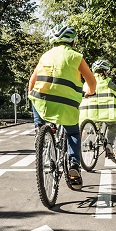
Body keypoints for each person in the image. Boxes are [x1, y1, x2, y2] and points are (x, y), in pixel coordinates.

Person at [28, 23, 96, 189]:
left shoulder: (44, 56)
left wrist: (33, 98)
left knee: (34, 98)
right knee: (73, 132)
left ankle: (39, 130)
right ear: (72, 42)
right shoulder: (76, 56)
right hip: (66, 104)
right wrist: (91, 92)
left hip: (42, 101)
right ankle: (74, 165)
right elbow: (91, 81)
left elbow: (31, 83)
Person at [79, 59, 116, 159]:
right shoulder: (107, 82)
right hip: (106, 113)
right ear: (104, 72)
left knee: (96, 124)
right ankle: (109, 146)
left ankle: (96, 136)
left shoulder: (87, 83)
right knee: (112, 126)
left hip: (90, 114)